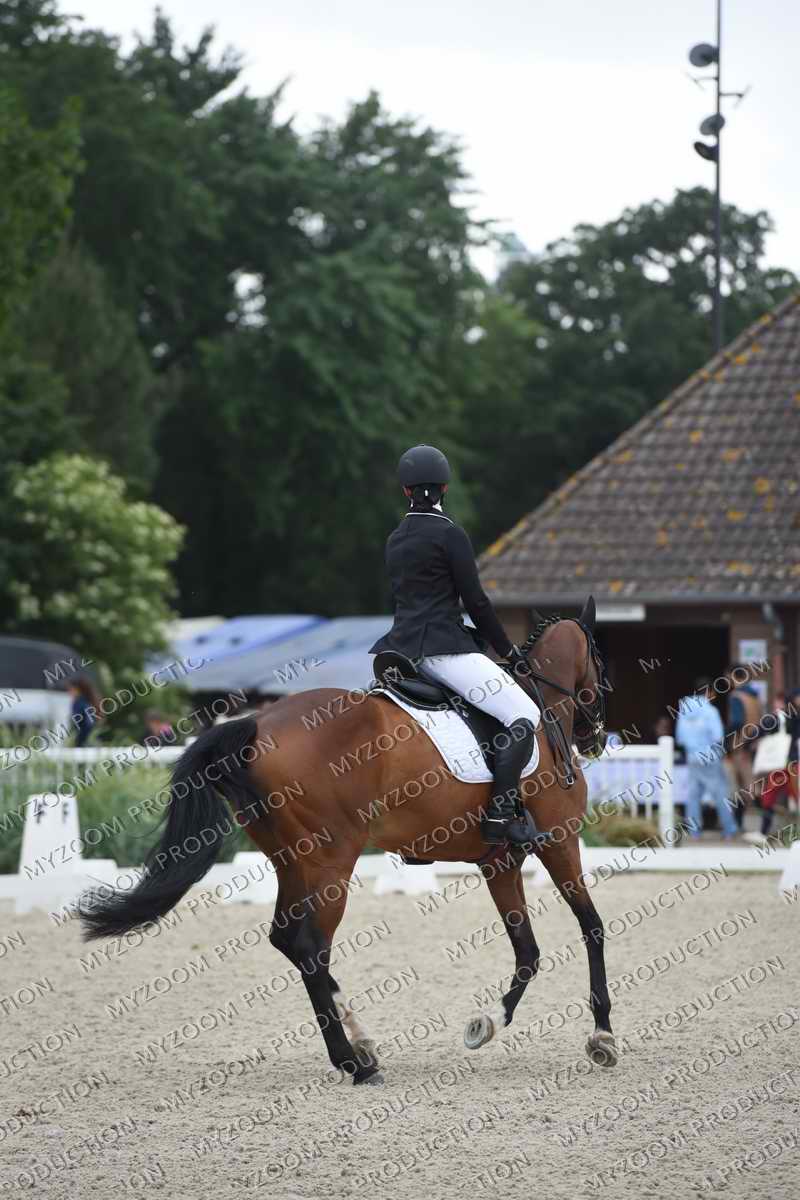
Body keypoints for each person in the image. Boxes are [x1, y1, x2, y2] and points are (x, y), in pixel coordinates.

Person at [370, 444, 542, 846]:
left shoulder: (395, 539)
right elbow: (476, 601)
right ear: (445, 487)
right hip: (445, 649)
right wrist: (507, 650)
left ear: (406, 491)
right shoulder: (450, 534)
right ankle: (500, 813)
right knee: (525, 714)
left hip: (402, 653)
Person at [674, 677, 738, 840]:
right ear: (709, 692)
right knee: (719, 793)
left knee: (693, 795)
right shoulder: (711, 711)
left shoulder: (684, 709)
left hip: (692, 756)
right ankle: (729, 829)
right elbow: (718, 736)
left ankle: (694, 832)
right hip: (710, 756)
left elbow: (680, 738)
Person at [725, 664, 764, 828]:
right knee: (753, 783)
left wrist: (726, 741)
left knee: (740, 784)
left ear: (733, 676)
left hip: (740, 745)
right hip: (755, 744)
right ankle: (760, 822)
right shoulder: (755, 697)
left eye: (728, 677)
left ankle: (741, 824)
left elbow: (736, 722)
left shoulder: (736, 696)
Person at [67, 675, 102, 747]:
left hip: (83, 739)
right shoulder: (88, 701)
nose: (69, 692)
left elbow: (86, 723)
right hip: (93, 738)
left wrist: (80, 738)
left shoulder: (79, 702)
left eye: (70, 689)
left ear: (78, 690)